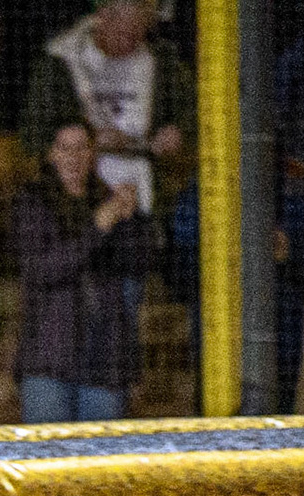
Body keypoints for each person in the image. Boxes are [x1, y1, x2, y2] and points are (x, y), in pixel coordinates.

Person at [12, 121, 152, 424]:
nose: (73, 156)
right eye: (65, 148)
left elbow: (138, 265)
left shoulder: (109, 201)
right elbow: (43, 269)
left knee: (101, 464)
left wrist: (131, 220)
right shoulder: (33, 202)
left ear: (93, 154)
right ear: (52, 154)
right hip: (49, 361)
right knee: (45, 463)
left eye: (81, 148)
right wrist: (98, 228)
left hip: (103, 361)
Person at [23, 0, 193, 224]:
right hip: (78, 206)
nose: (132, 42)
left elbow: (194, 112)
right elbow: (32, 138)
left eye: (139, 34)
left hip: (146, 199)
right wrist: (86, 141)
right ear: (103, 17)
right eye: (125, 33)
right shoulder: (60, 61)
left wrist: (178, 132)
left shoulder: (161, 62)